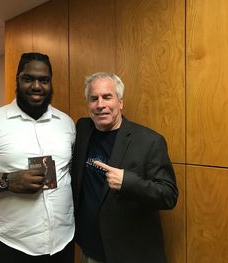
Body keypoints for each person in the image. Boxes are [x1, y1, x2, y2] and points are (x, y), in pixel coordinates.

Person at [0, 52, 75, 263]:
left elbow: (68, 173)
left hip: (62, 243)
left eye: (44, 80)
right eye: (28, 79)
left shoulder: (66, 124)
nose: (37, 86)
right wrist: (7, 181)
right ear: (17, 79)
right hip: (11, 247)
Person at [71, 72, 178, 263]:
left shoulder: (149, 141)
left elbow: (168, 195)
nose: (100, 104)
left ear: (120, 102)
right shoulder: (83, 128)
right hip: (88, 250)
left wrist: (128, 182)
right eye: (93, 98)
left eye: (107, 97)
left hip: (129, 254)